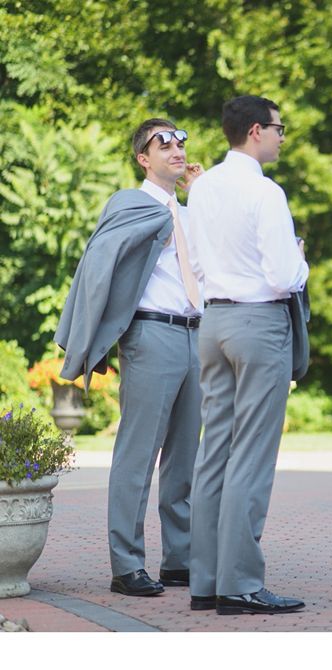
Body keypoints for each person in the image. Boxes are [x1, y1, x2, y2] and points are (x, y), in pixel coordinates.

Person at [55, 118, 204, 597]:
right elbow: (98, 264)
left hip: (196, 335)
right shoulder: (130, 204)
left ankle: (179, 560)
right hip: (151, 335)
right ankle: (126, 565)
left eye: (182, 141)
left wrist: (201, 204)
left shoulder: (190, 210)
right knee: (138, 456)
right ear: (144, 157)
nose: (178, 148)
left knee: (185, 457)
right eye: (166, 143)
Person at [186, 95, 309, 615]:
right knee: (252, 456)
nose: (284, 136)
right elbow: (283, 276)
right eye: (280, 128)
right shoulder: (265, 191)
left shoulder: (204, 186)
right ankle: (239, 584)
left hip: (212, 321)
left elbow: (194, 261)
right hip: (258, 323)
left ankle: (206, 581)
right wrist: (302, 263)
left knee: (214, 450)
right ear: (256, 131)